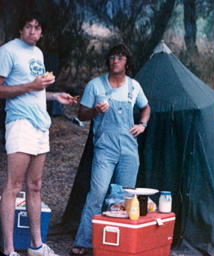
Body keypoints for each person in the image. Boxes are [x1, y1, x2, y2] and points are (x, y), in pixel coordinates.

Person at [0, 11, 77, 256]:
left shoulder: (38, 53)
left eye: (37, 28)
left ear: (41, 32)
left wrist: (55, 95)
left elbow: (36, 92)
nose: (33, 31)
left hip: (39, 125)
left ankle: (36, 246)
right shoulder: (8, 50)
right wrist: (32, 85)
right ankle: (9, 250)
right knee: (13, 186)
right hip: (20, 122)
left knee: (35, 185)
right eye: (28, 27)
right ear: (21, 29)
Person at [69, 44, 150, 255]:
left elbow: (146, 107)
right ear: (108, 61)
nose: (116, 61)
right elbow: (81, 115)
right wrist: (95, 110)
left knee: (124, 197)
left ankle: (119, 244)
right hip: (105, 148)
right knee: (97, 193)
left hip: (129, 149)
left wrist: (143, 124)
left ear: (127, 63)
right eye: (113, 57)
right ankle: (84, 241)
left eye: (121, 58)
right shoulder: (95, 86)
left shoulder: (134, 86)